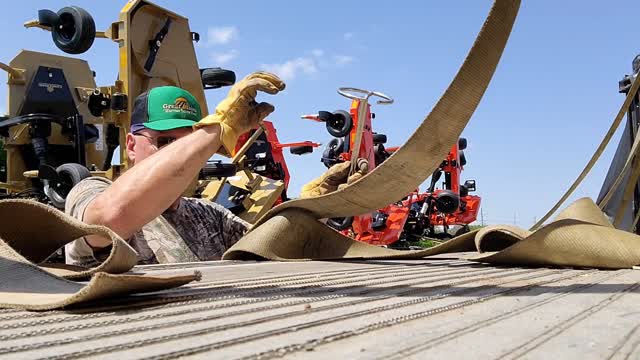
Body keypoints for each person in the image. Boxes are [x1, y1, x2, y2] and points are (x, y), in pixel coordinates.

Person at [65, 72, 285, 266]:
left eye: (188, 143)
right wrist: (219, 128)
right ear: (131, 146)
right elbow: (108, 219)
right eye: (165, 141)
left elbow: (275, 248)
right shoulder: (89, 192)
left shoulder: (209, 216)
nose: (181, 155)